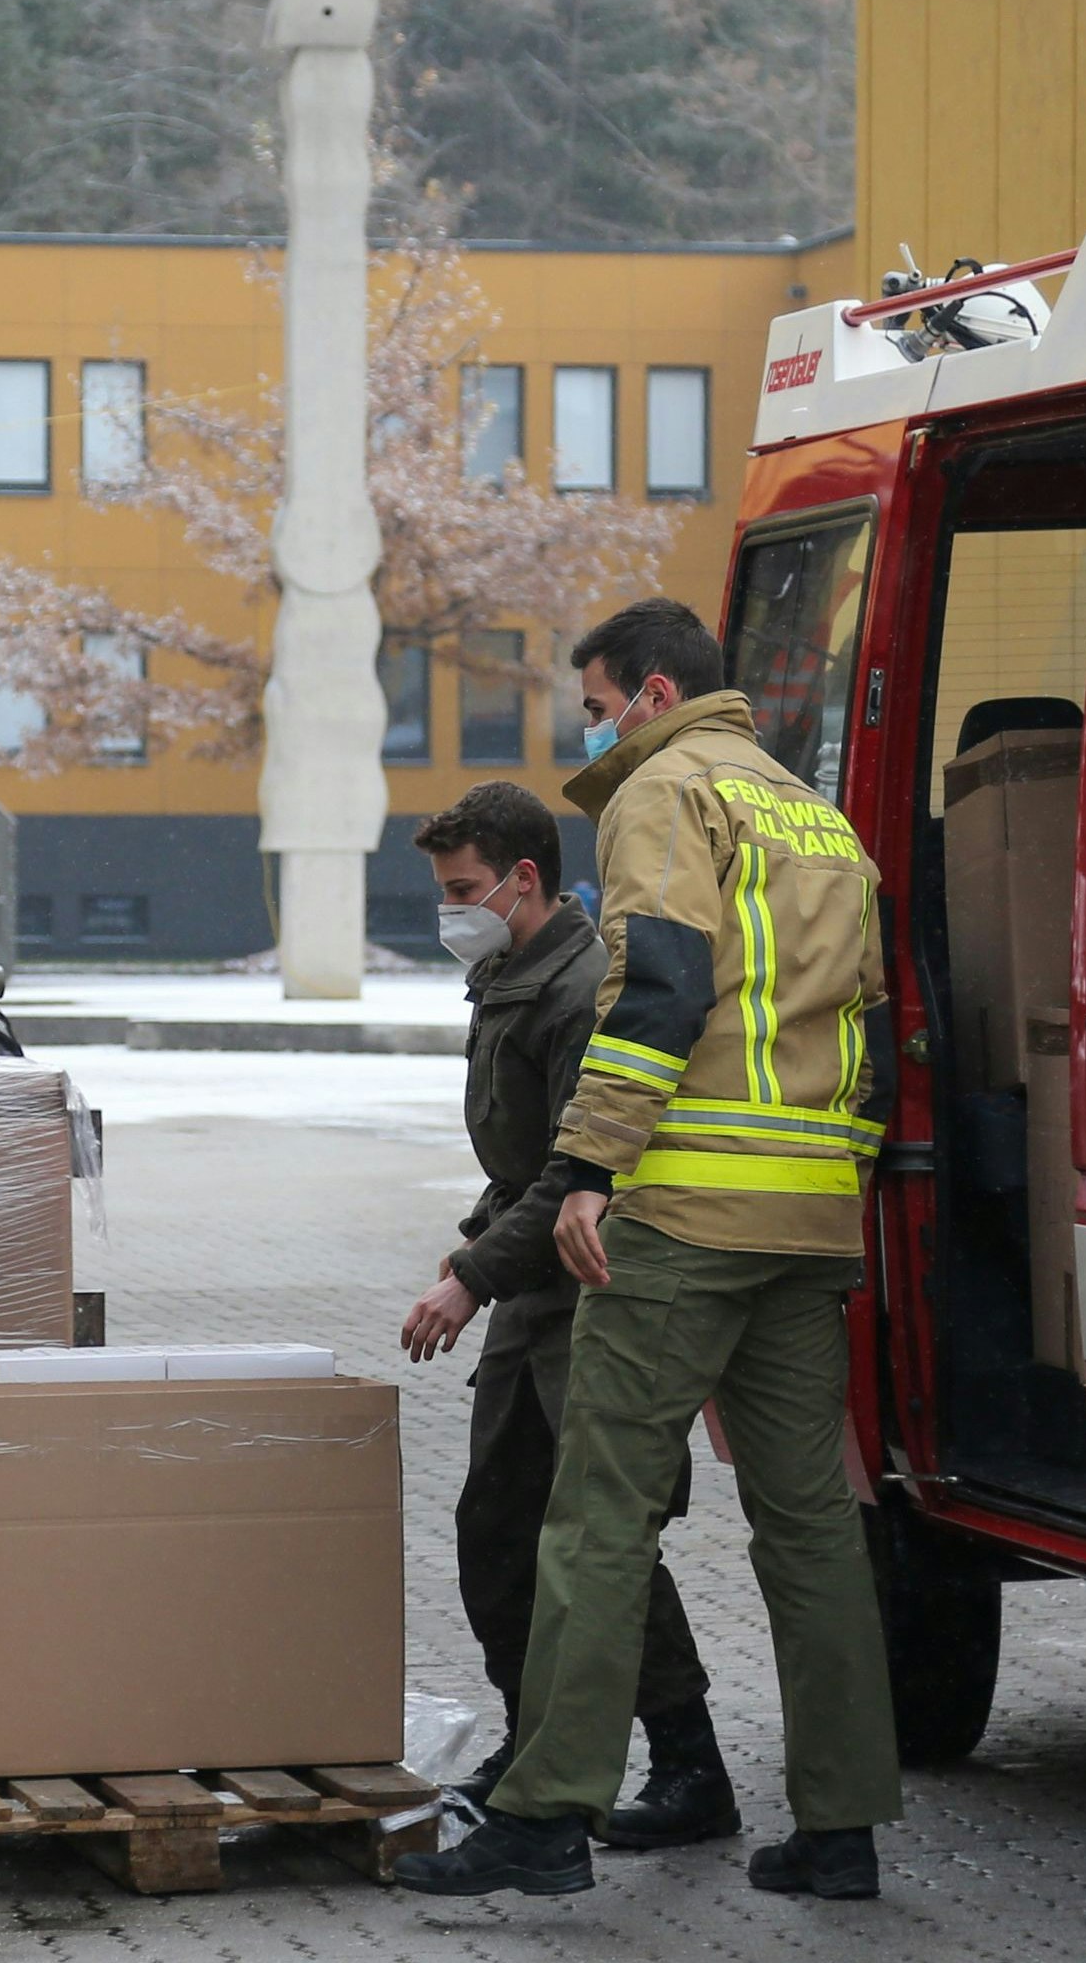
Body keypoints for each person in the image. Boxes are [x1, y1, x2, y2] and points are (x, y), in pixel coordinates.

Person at [399, 598, 902, 1902]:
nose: (596, 729)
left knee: (596, 1517)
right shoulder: (819, 815)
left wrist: (590, 1167)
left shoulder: (664, 795)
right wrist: (838, 1185)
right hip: (807, 1220)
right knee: (811, 1532)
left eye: (602, 702)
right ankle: (840, 1829)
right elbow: (873, 1031)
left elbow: (662, 985)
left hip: (680, 1218)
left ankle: (548, 1815)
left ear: (659, 694)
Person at [400, 781, 736, 1852]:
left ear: (523, 879)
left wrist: (468, 1274)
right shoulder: (510, 972)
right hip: (527, 1289)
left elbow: (575, 1168)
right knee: (496, 1531)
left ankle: (689, 1763)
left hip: (585, 1291)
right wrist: (476, 1249)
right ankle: (530, 1740)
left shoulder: (578, 987)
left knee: (600, 1542)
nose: (450, 909)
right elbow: (518, 1166)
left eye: (463, 889)